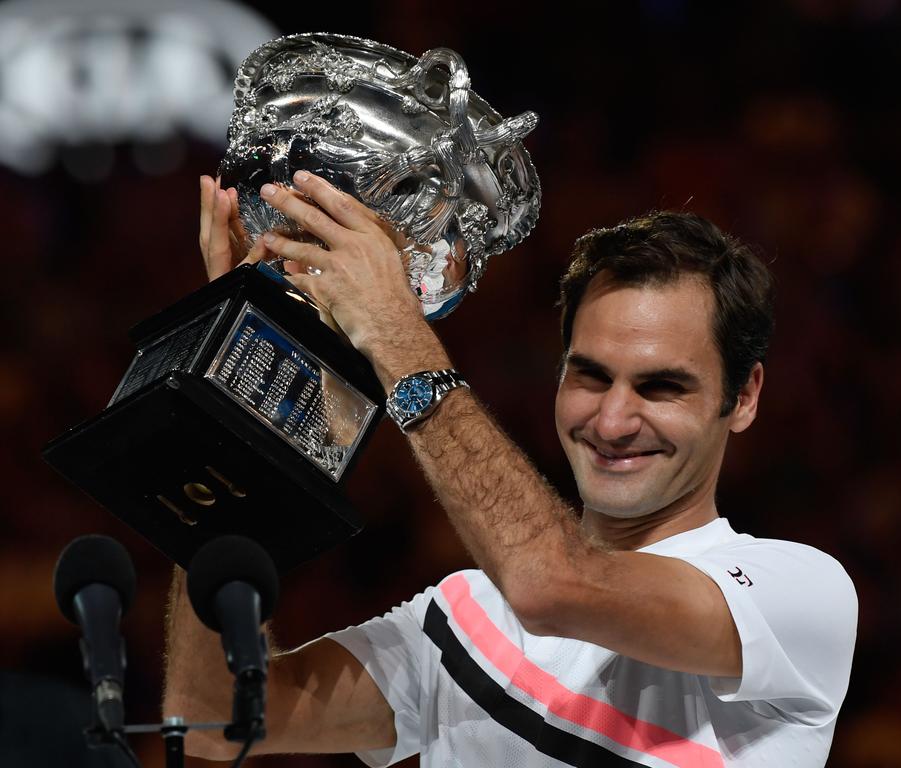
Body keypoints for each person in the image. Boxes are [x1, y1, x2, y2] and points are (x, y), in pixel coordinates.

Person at [163, 173, 857, 767]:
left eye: (660, 388)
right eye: (590, 377)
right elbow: (212, 719)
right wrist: (237, 381)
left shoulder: (799, 594)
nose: (612, 421)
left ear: (743, 397)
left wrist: (394, 331)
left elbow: (552, 583)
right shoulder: (466, 616)